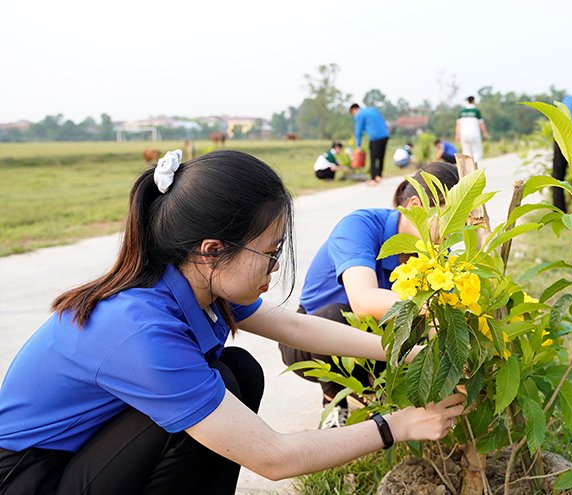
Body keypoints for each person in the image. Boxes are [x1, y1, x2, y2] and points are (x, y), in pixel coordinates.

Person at [0, 150, 464, 494]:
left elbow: (297, 328)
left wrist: (415, 353)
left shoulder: (194, 282)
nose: (277, 266)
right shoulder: (141, 328)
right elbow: (274, 458)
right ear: (212, 249)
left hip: (77, 458)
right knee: (215, 388)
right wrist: (397, 426)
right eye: (272, 251)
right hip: (30, 477)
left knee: (236, 373)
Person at [280, 162, 461, 428]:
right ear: (415, 207)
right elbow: (363, 302)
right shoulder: (360, 226)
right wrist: (436, 306)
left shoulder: (434, 253)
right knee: (337, 316)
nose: (454, 233)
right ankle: (334, 401)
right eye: (451, 219)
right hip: (309, 337)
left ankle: (378, 398)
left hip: (375, 339)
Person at [350, 103, 390, 187]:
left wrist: (358, 146)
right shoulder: (372, 110)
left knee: (373, 158)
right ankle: (379, 175)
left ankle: (373, 179)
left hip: (375, 137)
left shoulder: (359, 115)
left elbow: (358, 132)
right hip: (385, 135)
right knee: (381, 156)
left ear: (354, 110)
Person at [455, 96, 490, 162]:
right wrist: (485, 132)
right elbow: (481, 124)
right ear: (473, 101)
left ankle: (469, 170)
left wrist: (457, 135)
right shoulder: (476, 111)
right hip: (475, 134)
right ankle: (476, 168)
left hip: (464, 135)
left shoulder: (462, 111)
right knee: (477, 152)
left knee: (466, 153)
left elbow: (458, 124)